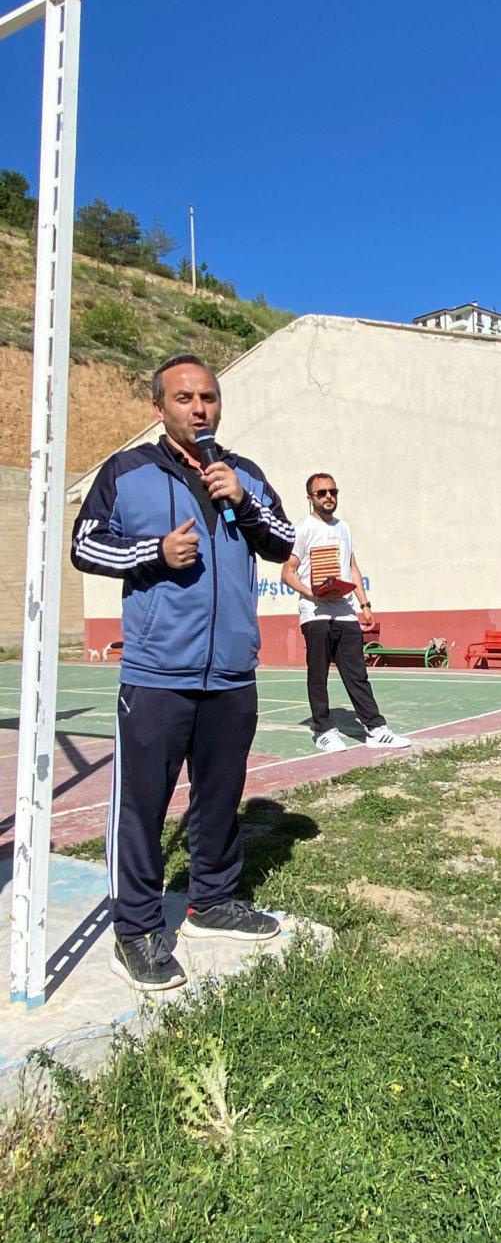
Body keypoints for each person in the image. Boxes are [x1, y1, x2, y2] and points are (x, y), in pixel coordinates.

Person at [71, 354, 295, 991]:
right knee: (141, 807)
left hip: (230, 672)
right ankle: (136, 928)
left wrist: (244, 501)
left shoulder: (242, 473)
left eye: (209, 398)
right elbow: (85, 545)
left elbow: (282, 544)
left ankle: (212, 900)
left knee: (220, 796)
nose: (199, 409)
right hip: (157, 672)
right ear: (159, 408)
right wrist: (153, 553)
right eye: (184, 398)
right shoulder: (127, 471)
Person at [281, 472, 410, 753]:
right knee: (319, 674)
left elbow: (352, 567)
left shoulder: (344, 528)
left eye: (333, 491)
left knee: (357, 673)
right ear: (310, 498)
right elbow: (287, 573)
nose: (329, 497)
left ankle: (376, 728)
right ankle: (323, 730)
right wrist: (312, 593)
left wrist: (365, 604)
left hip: (344, 611)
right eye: (322, 493)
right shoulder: (302, 529)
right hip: (315, 612)